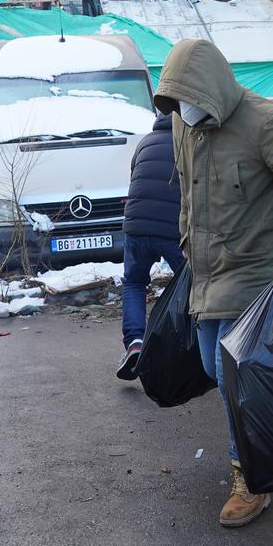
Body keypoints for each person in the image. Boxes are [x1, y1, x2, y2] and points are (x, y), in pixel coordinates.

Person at [152, 38, 273, 528]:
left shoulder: (263, 123)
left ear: (212, 89)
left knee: (230, 374)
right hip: (206, 273)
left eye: (190, 99)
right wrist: (185, 242)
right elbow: (188, 189)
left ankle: (251, 477)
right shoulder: (182, 121)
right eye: (176, 101)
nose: (184, 110)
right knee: (215, 369)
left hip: (253, 271)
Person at [116, 110, 184, 380]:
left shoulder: (144, 142)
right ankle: (186, 349)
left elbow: (136, 177)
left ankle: (135, 343)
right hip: (172, 230)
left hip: (136, 227)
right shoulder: (188, 142)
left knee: (134, 283)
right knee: (192, 285)